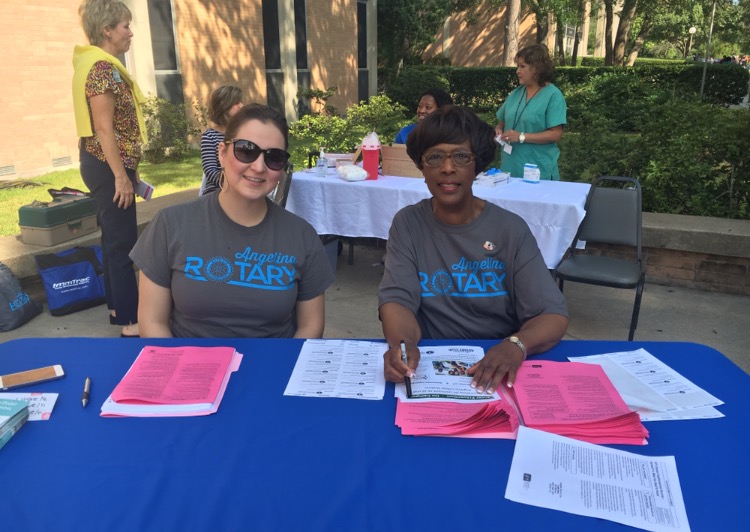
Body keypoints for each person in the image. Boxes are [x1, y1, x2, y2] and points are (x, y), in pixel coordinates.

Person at [379, 105, 568, 393]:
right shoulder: (408, 224)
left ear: (477, 164)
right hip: (431, 365)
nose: (447, 167)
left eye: (461, 156)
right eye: (434, 157)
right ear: (421, 166)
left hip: (499, 365)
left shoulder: (510, 229)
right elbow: (397, 300)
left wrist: (516, 345)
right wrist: (403, 346)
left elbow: (551, 314)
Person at [131, 104, 335, 338]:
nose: (258, 167)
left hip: (274, 361)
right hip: (190, 360)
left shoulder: (301, 235)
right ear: (222, 153)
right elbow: (152, 322)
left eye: (274, 157)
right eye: (246, 151)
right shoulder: (170, 224)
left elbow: (310, 327)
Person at [73, 0, 147, 338]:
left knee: (113, 239)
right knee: (123, 244)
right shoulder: (102, 69)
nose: (130, 33)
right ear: (107, 30)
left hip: (109, 163)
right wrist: (121, 176)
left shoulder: (100, 65)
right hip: (107, 166)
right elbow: (103, 128)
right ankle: (131, 322)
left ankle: (118, 309)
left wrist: (132, 170)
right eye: (125, 26)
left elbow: (119, 128)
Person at [495, 44, 567, 180]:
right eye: (517, 66)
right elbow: (501, 123)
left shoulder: (553, 95)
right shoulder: (516, 93)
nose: (517, 71)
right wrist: (498, 130)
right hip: (510, 167)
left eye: (522, 66)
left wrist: (521, 137)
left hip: (537, 169)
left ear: (537, 68)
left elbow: (556, 134)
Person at [200, 85, 243, 195]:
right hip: (217, 189)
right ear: (224, 106)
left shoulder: (244, 133)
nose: (242, 106)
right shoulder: (210, 136)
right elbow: (210, 170)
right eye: (236, 103)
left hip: (243, 187)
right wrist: (232, 184)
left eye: (241, 102)